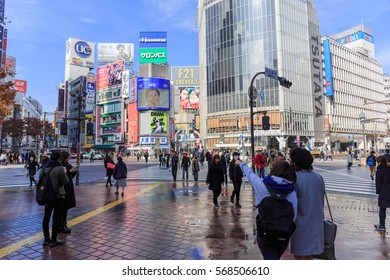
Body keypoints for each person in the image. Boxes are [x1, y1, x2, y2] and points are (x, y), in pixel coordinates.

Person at [234, 159, 297, 260]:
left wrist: (241, 164)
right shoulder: (291, 191)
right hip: (283, 235)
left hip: (265, 233)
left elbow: (250, 174)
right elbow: (294, 214)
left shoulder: (262, 185)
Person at [289, 148, 325, 260]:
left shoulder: (296, 179)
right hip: (316, 222)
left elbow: (292, 204)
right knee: (310, 255)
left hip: (300, 224)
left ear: (295, 163)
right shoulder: (318, 177)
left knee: (299, 254)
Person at [41, 151, 69, 247]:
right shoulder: (60, 168)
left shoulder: (44, 167)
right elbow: (65, 181)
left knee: (46, 217)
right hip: (58, 196)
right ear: (59, 159)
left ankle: (46, 239)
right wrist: (65, 173)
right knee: (56, 218)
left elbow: (40, 180)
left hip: (47, 196)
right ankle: (53, 240)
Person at [59, 151, 77, 234]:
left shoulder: (67, 165)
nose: (69, 159)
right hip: (63, 188)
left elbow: (70, 177)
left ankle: (64, 224)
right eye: (68, 158)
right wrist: (70, 172)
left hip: (68, 187)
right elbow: (62, 178)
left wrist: (73, 171)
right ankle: (61, 225)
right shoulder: (61, 166)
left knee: (65, 207)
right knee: (63, 207)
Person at [374, 156, 390, 231]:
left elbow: (378, 183)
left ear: (379, 162)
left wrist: (378, 192)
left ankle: (382, 226)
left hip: (384, 192)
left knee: (382, 209)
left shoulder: (379, 171)